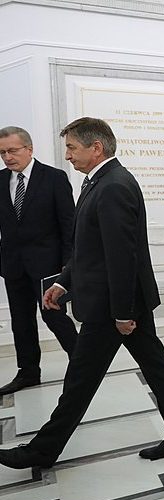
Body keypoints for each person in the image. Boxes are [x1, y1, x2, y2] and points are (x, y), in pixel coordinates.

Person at [0, 117, 164, 469]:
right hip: (118, 300)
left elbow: (121, 257)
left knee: (79, 381)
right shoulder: (98, 181)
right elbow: (87, 247)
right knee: (156, 368)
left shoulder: (114, 186)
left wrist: (123, 313)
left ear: (96, 147)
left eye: (72, 148)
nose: (67, 156)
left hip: (111, 305)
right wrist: (63, 282)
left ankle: (42, 450)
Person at [0, 127, 77, 395]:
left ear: (29, 149)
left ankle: (83, 364)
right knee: (21, 321)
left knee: (54, 317)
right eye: (2, 152)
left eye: (12, 150)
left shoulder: (54, 178)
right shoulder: (0, 180)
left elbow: (69, 225)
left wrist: (68, 265)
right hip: (13, 265)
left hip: (48, 266)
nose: (7, 157)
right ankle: (28, 372)